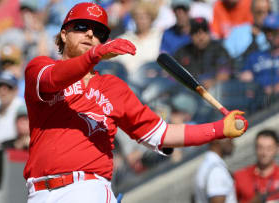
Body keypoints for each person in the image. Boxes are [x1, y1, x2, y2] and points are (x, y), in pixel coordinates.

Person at [23, 2, 248, 203]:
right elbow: (53, 78)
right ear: (63, 34)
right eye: (81, 26)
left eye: (99, 32)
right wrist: (95, 55)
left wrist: (220, 129)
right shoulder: (40, 67)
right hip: (40, 193)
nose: (91, 34)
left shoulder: (114, 88)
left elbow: (161, 135)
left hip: (87, 189)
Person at [174, 17, 232, 89]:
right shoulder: (182, 51)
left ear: (209, 33)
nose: (201, 37)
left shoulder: (219, 49)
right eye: (196, 32)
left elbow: (224, 74)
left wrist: (213, 82)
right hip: (188, 92)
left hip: (215, 93)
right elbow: (171, 76)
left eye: (204, 31)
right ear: (190, 35)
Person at [240, 13, 279, 98]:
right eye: (266, 31)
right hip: (260, 104)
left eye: (274, 31)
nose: (269, 35)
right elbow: (246, 85)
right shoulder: (254, 57)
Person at [234, 129, 279, 203]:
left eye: (269, 148)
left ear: (277, 148)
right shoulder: (240, 176)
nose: (264, 153)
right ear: (255, 148)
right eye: (260, 148)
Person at [194, 138, 237, 203]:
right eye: (228, 136)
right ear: (215, 140)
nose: (232, 140)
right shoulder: (216, 171)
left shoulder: (207, 165)